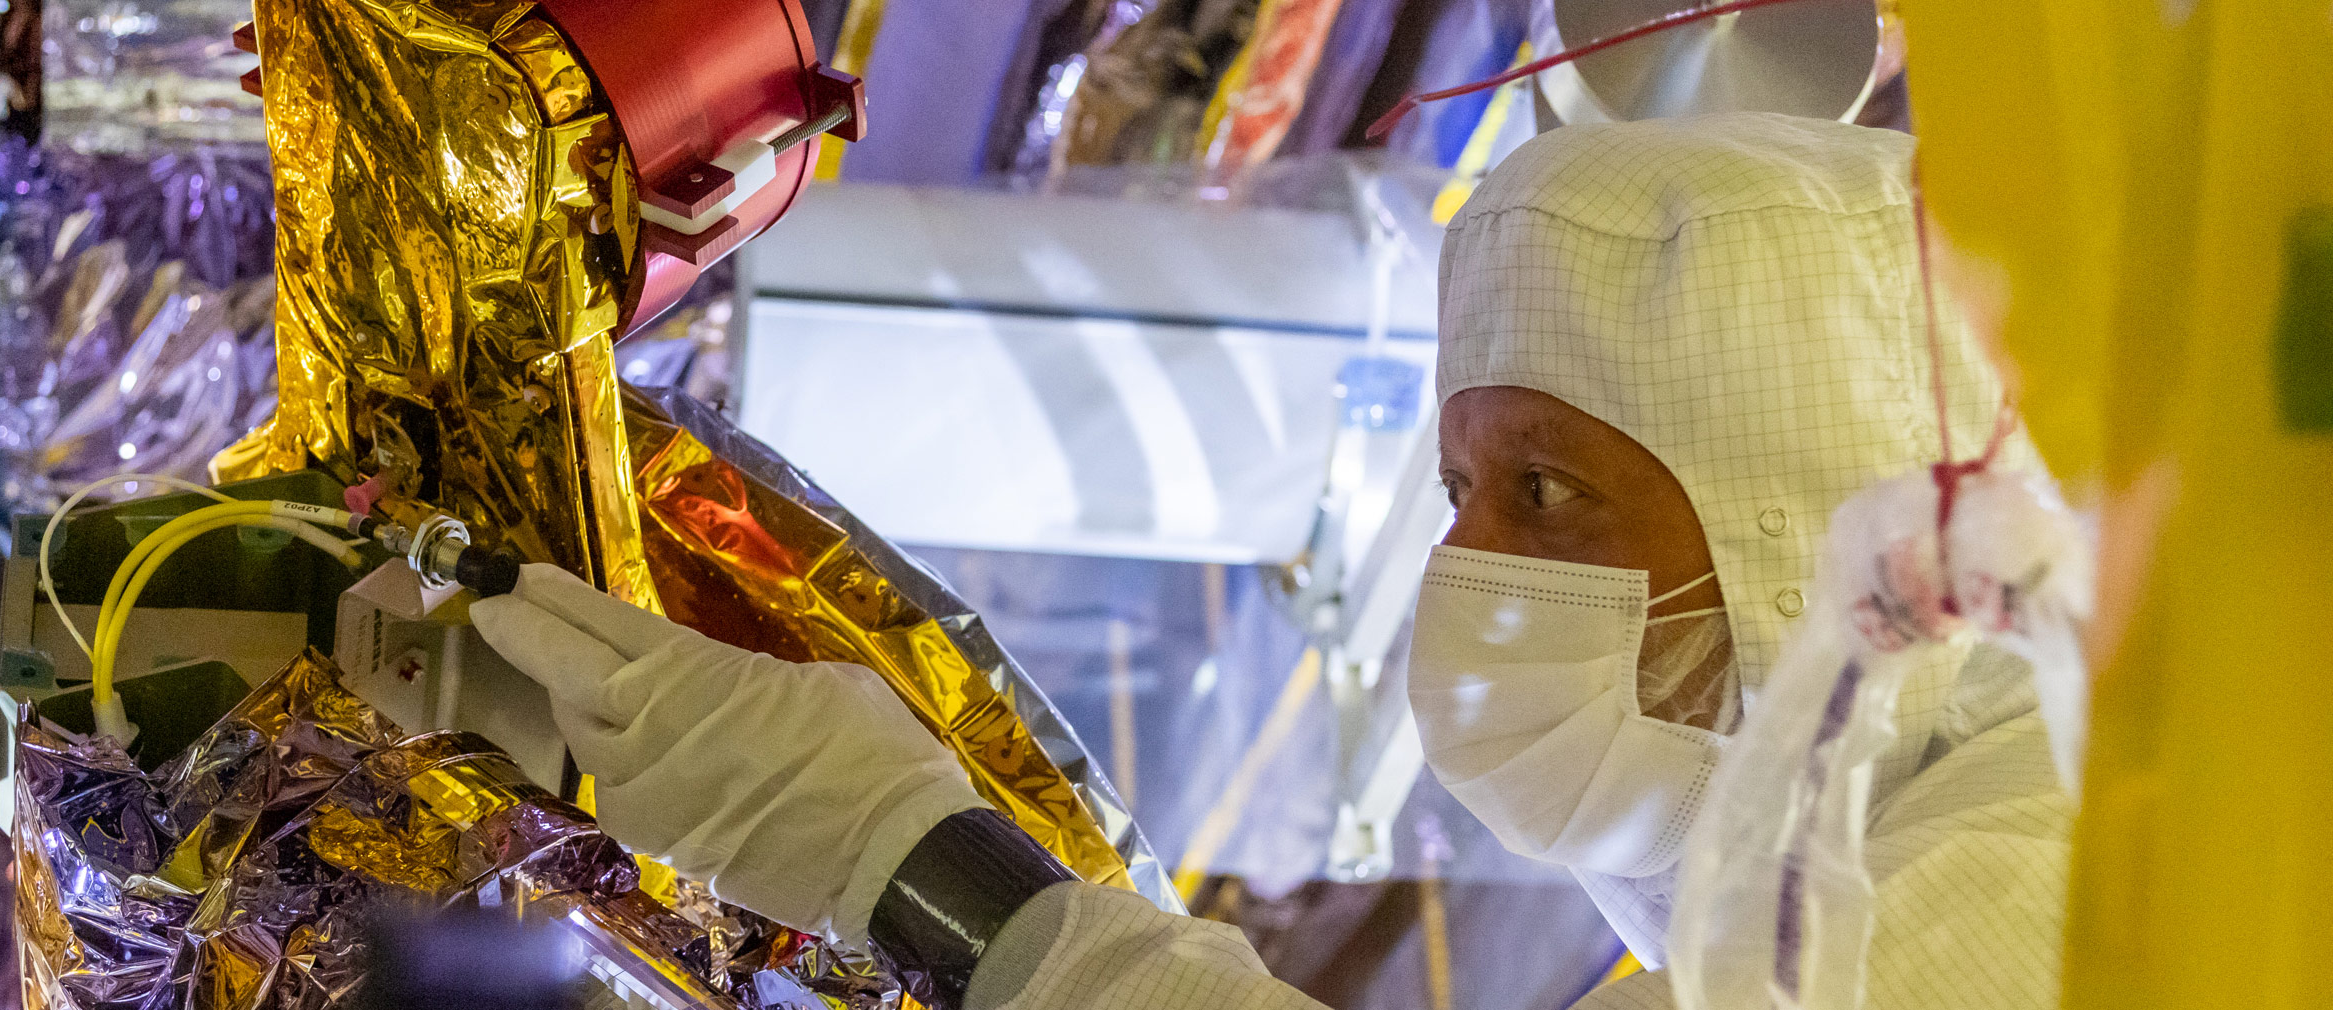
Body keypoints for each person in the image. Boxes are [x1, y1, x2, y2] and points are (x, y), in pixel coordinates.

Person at [472, 112, 2069, 1010]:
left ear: (1820, 538)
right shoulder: (1817, 894)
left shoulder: (2010, 912)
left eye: (1550, 488)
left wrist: (919, 862)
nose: (1471, 567)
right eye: (1458, 488)